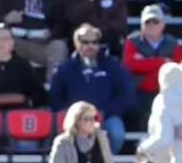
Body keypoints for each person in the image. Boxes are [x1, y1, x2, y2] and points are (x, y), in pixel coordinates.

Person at [49, 25, 133, 154]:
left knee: (117, 133)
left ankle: (107, 162)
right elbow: (55, 96)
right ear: (77, 44)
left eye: (95, 42)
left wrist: (105, 112)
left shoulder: (112, 66)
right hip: (75, 119)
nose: (90, 46)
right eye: (85, 42)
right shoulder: (65, 69)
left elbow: (126, 94)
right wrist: (72, 114)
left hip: (106, 116)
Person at [63, 0, 128, 56]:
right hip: (81, 41)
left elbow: (120, 24)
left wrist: (99, 32)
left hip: (107, 40)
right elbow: (73, 18)